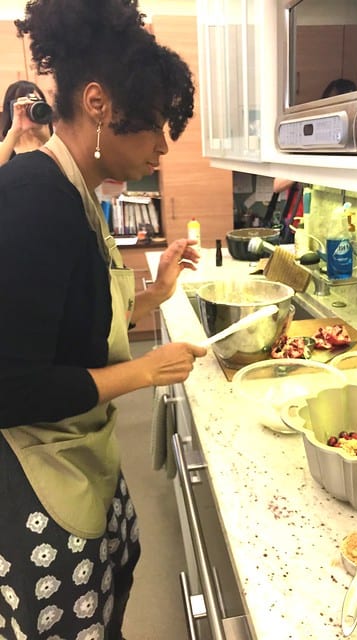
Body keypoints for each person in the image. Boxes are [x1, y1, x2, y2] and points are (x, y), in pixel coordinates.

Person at [0, 1, 207, 638]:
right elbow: (12, 386)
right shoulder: (36, 199)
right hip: (39, 479)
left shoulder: (76, 195)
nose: (164, 149)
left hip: (83, 457)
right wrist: (145, 372)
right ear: (98, 104)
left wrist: (156, 295)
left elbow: (74, 320)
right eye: (154, 128)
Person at [0, 79, 54, 166]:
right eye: (25, 105)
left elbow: (68, 172)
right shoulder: (4, 147)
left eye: (37, 102)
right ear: (11, 109)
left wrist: (46, 138)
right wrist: (15, 132)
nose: (33, 108)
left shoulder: (54, 140)